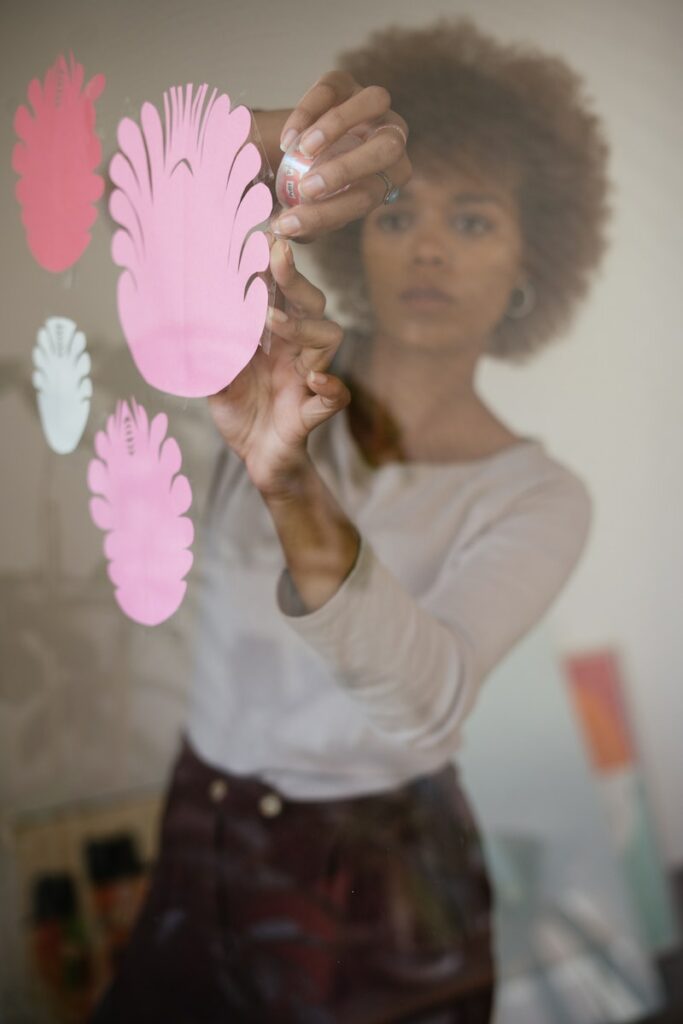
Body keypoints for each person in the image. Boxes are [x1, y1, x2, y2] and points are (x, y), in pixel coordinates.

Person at [90, 17, 610, 1024]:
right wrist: (283, 140)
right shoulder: (257, 358)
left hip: (375, 874)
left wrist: (291, 481)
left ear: (527, 265)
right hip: (202, 819)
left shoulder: (533, 496)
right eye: (397, 212)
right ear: (355, 234)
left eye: (469, 221)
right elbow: (99, 197)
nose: (424, 245)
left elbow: (422, 700)